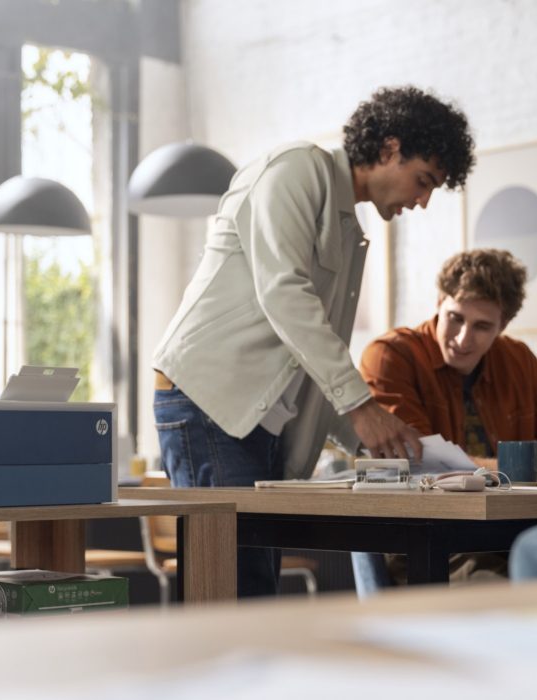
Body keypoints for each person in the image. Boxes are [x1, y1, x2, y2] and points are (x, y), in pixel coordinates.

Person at [153, 86, 476, 597]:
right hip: (210, 401)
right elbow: (284, 294)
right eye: (423, 180)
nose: (422, 201)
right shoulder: (296, 170)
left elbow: (306, 356)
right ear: (389, 148)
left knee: (252, 590)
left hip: (255, 420)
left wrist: (378, 436)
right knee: (232, 591)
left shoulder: (348, 230)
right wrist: (361, 407)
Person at [361, 248, 537, 483]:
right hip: (428, 507)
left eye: (482, 326)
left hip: (508, 505)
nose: (463, 339)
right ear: (440, 302)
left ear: (503, 325)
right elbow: (415, 461)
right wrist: (526, 468)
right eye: (455, 318)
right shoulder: (389, 356)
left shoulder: (519, 360)